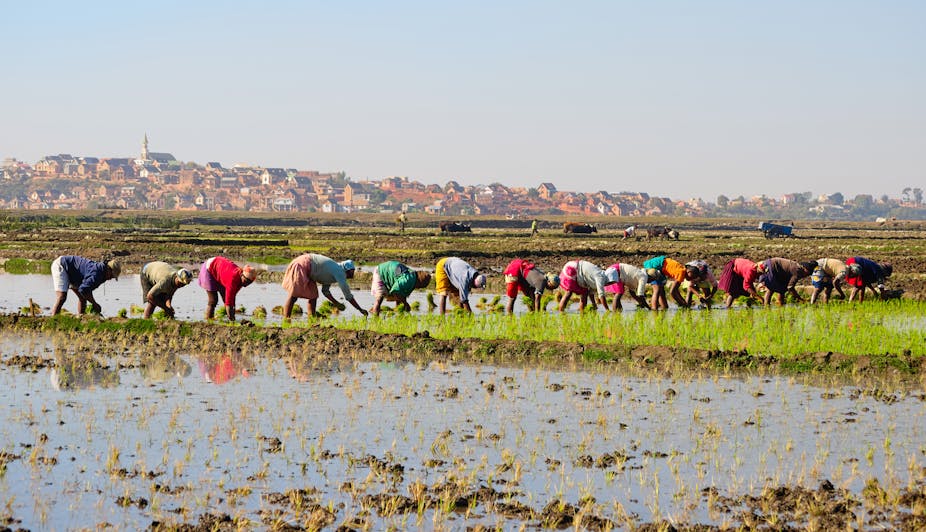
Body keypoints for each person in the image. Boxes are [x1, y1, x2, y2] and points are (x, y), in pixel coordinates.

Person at [282, 253, 369, 318]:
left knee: (313, 296)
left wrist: (336, 303)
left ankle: (312, 319)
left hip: (309, 270)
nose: (353, 274)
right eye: (352, 271)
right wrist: (360, 309)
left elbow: (325, 291)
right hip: (302, 264)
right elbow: (348, 296)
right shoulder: (340, 272)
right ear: (347, 270)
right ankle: (286, 319)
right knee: (294, 295)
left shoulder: (333, 271)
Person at [50, 255, 121, 316]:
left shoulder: (103, 273)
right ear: (108, 269)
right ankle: (53, 320)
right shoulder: (96, 274)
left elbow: (85, 290)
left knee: (83, 299)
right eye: (112, 276)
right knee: (62, 297)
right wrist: (94, 304)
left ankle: (81, 318)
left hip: (74, 273)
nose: (111, 278)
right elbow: (83, 290)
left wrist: (93, 303)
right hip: (62, 265)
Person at [199, 256, 258, 322]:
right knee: (213, 300)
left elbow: (232, 297)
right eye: (246, 280)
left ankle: (227, 315)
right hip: (209, 268)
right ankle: (209, 319)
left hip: (220, 271)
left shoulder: (241, 281)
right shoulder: (233, 279)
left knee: (226, 297)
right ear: (242, 275)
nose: (246, 283)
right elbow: (229, 303)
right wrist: (233, 321)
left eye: (249, 282)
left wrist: (232, 309)